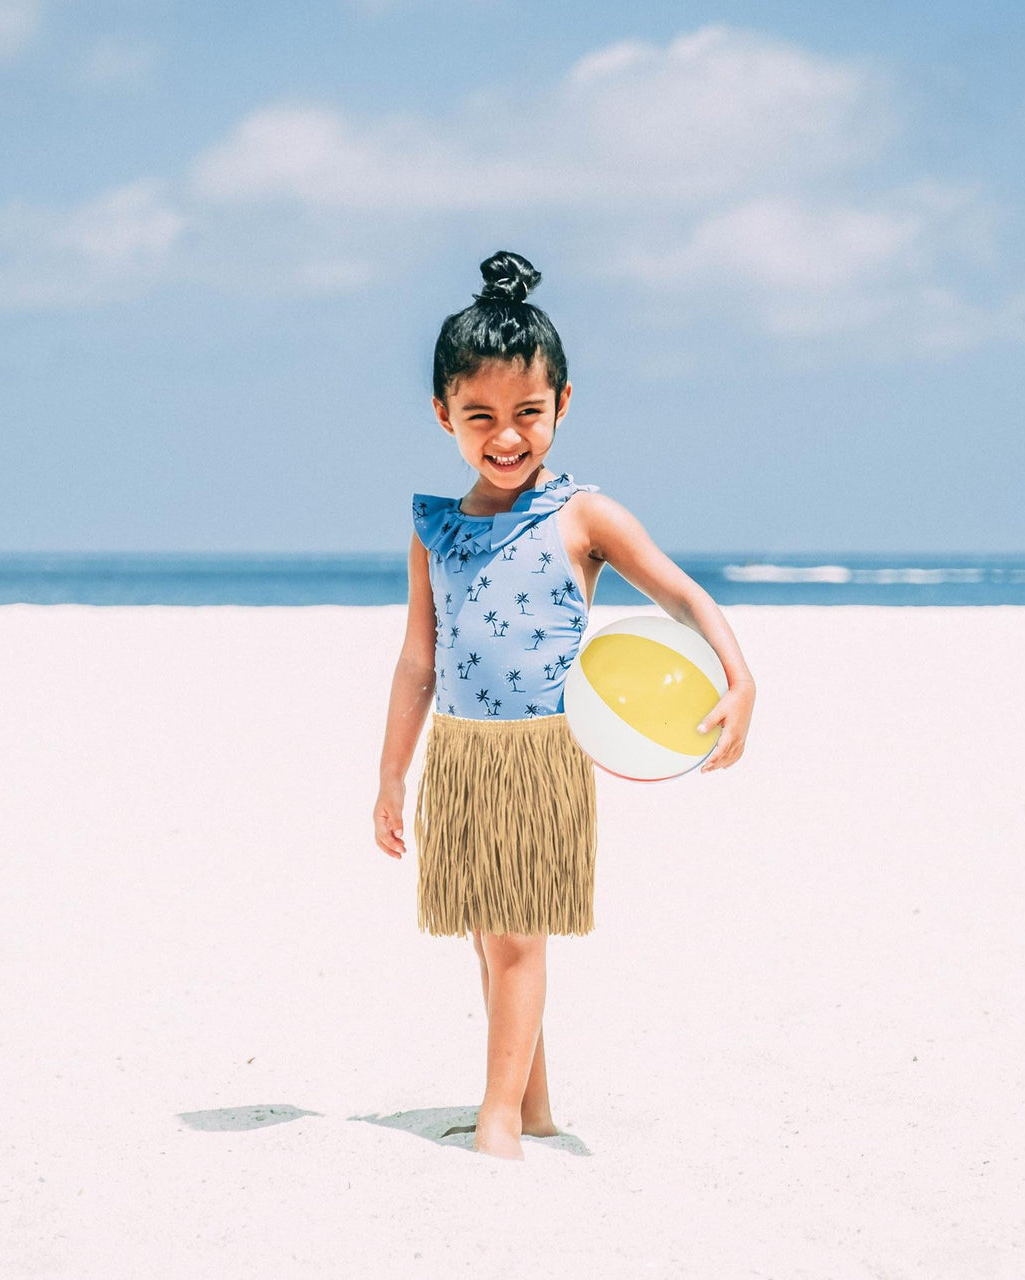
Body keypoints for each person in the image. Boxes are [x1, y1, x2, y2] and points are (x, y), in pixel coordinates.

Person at [373, 250, 756, 1161]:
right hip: (460, 756)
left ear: (563, 406)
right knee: (484, 939)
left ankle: (498, 1121)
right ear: (443, 416)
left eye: (527, 415)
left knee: (515, 940)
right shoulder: (436, 527)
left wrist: (741, 679)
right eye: (481, 418)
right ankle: (534, 1106)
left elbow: (683, 597)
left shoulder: (584, 517)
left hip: (542, 755)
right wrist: (392, 775)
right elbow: (417, 661)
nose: (506, 437)